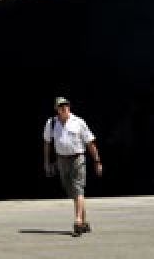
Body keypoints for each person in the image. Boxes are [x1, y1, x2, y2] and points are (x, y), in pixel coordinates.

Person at [43, 96, 103, 236]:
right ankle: (84, 221)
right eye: (61, 106)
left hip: (77, 159)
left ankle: (77, 222)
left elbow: (90, 142)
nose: (64, 107)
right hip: (61, 160)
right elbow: (47, 143)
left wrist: (97, 161)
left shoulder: (79, 122)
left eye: (66, 105)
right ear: (56, 109)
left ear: (69, 107)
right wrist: (47, 163)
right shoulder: (51, 123)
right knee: (71, 191)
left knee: (78, 188)